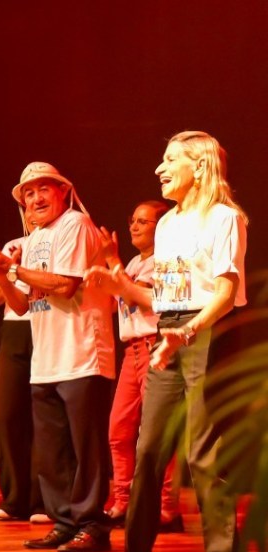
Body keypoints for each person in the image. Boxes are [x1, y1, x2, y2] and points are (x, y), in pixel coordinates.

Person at [89, 131, 250, 552]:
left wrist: (190, 331)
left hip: (210, 332)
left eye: (170, 160)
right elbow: (164, 297)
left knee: (203, 454)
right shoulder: (168, 226)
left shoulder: (226, 219)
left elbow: (225, 290)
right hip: (171, 331)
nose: (159, 169)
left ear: (198, 167)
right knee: (147, 453)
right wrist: (121, 287)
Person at [0, 162, 116, 552]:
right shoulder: (32, 239)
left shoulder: (75, 226)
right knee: (52, 450)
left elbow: (66, 286)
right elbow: (18, 305)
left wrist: (13, 267)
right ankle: (65, 521)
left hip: (82, 352)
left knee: (85, 448)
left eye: (43, 189)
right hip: (46, 358)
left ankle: (92, 526)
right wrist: (2, 274)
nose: (35, 198)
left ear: (63, 192)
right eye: (28, 193)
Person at [89, 201, 181, 531]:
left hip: (157, 346)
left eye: (144, 221)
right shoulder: (132, 262)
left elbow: (135, 294)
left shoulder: (166, 261)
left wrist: (111, 260)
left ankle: (167, 509)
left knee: (157, 433)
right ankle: (123, 501)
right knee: (119, 430)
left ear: (163, 226)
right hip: (132, 351)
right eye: (133, 219)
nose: (135, 226)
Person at [0, 209, 48, 523]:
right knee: (7, 414)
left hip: (47, 325)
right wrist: (11, 268)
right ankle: (14, 497)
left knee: (43, 416)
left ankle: (43, 500)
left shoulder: (59, 242)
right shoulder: (12, 245)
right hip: (14, 330)